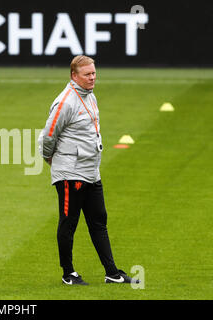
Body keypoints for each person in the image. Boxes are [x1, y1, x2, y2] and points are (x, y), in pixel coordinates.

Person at [38, 55, 139, 285]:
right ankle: (68, 273)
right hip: (70, 173)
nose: (92, 77)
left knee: (99, 220)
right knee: (69, 222)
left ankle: (112, 272)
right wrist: (50, 159)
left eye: (94, 73)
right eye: (87, 74)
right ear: (74, 76)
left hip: (91, 171)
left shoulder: (89, 95)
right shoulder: (66, 102)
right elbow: (48, 135)